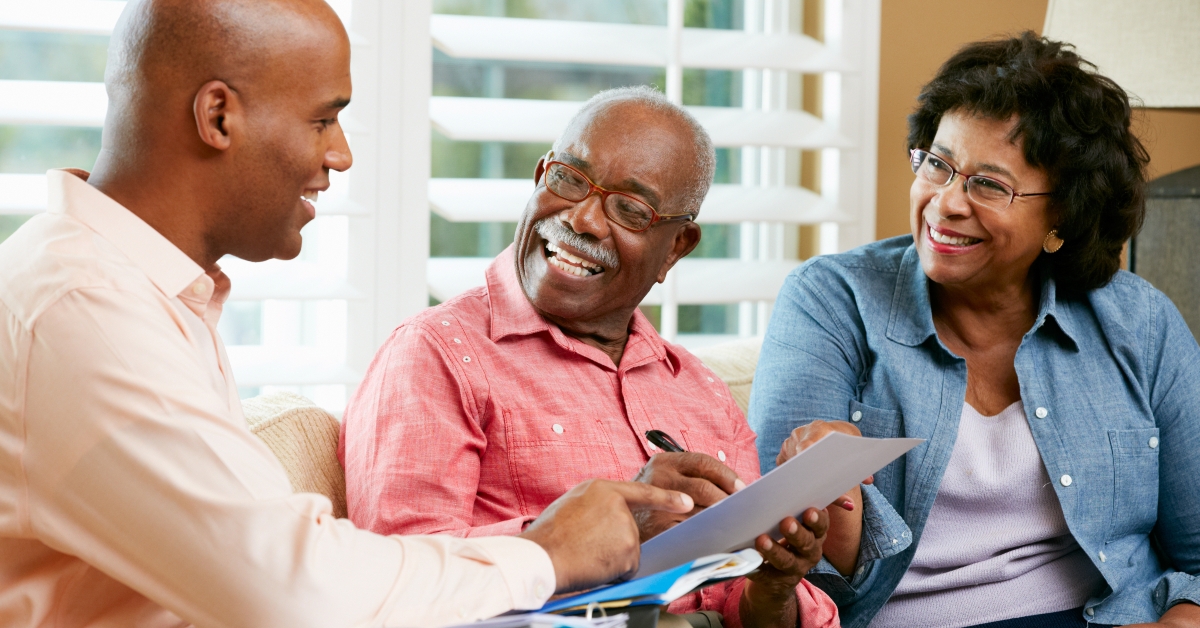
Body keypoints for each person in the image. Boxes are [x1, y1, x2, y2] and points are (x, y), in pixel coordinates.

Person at [0, 1, 698, 626]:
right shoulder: (81, 309)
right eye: (324, 118)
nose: (341, 154)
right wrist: (543, 554)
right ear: (219, 117)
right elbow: (294, 591)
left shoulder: (140, 291)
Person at [341, 86, 895, 628]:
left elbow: (746, 606)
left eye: (630, 209)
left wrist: (771, 586)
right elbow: (398, 587)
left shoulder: (699, 391)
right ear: (539, 178)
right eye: (568, 178)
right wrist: (618, 530)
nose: (582, 219)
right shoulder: (436, 356)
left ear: (676, 248)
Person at [747, 32, 1200, 628]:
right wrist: (834, 504)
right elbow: (791, 575)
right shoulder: (832, 302)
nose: (945, 203)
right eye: (938, 164)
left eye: (989, 184)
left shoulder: (1137, 322)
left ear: (1062, 214)